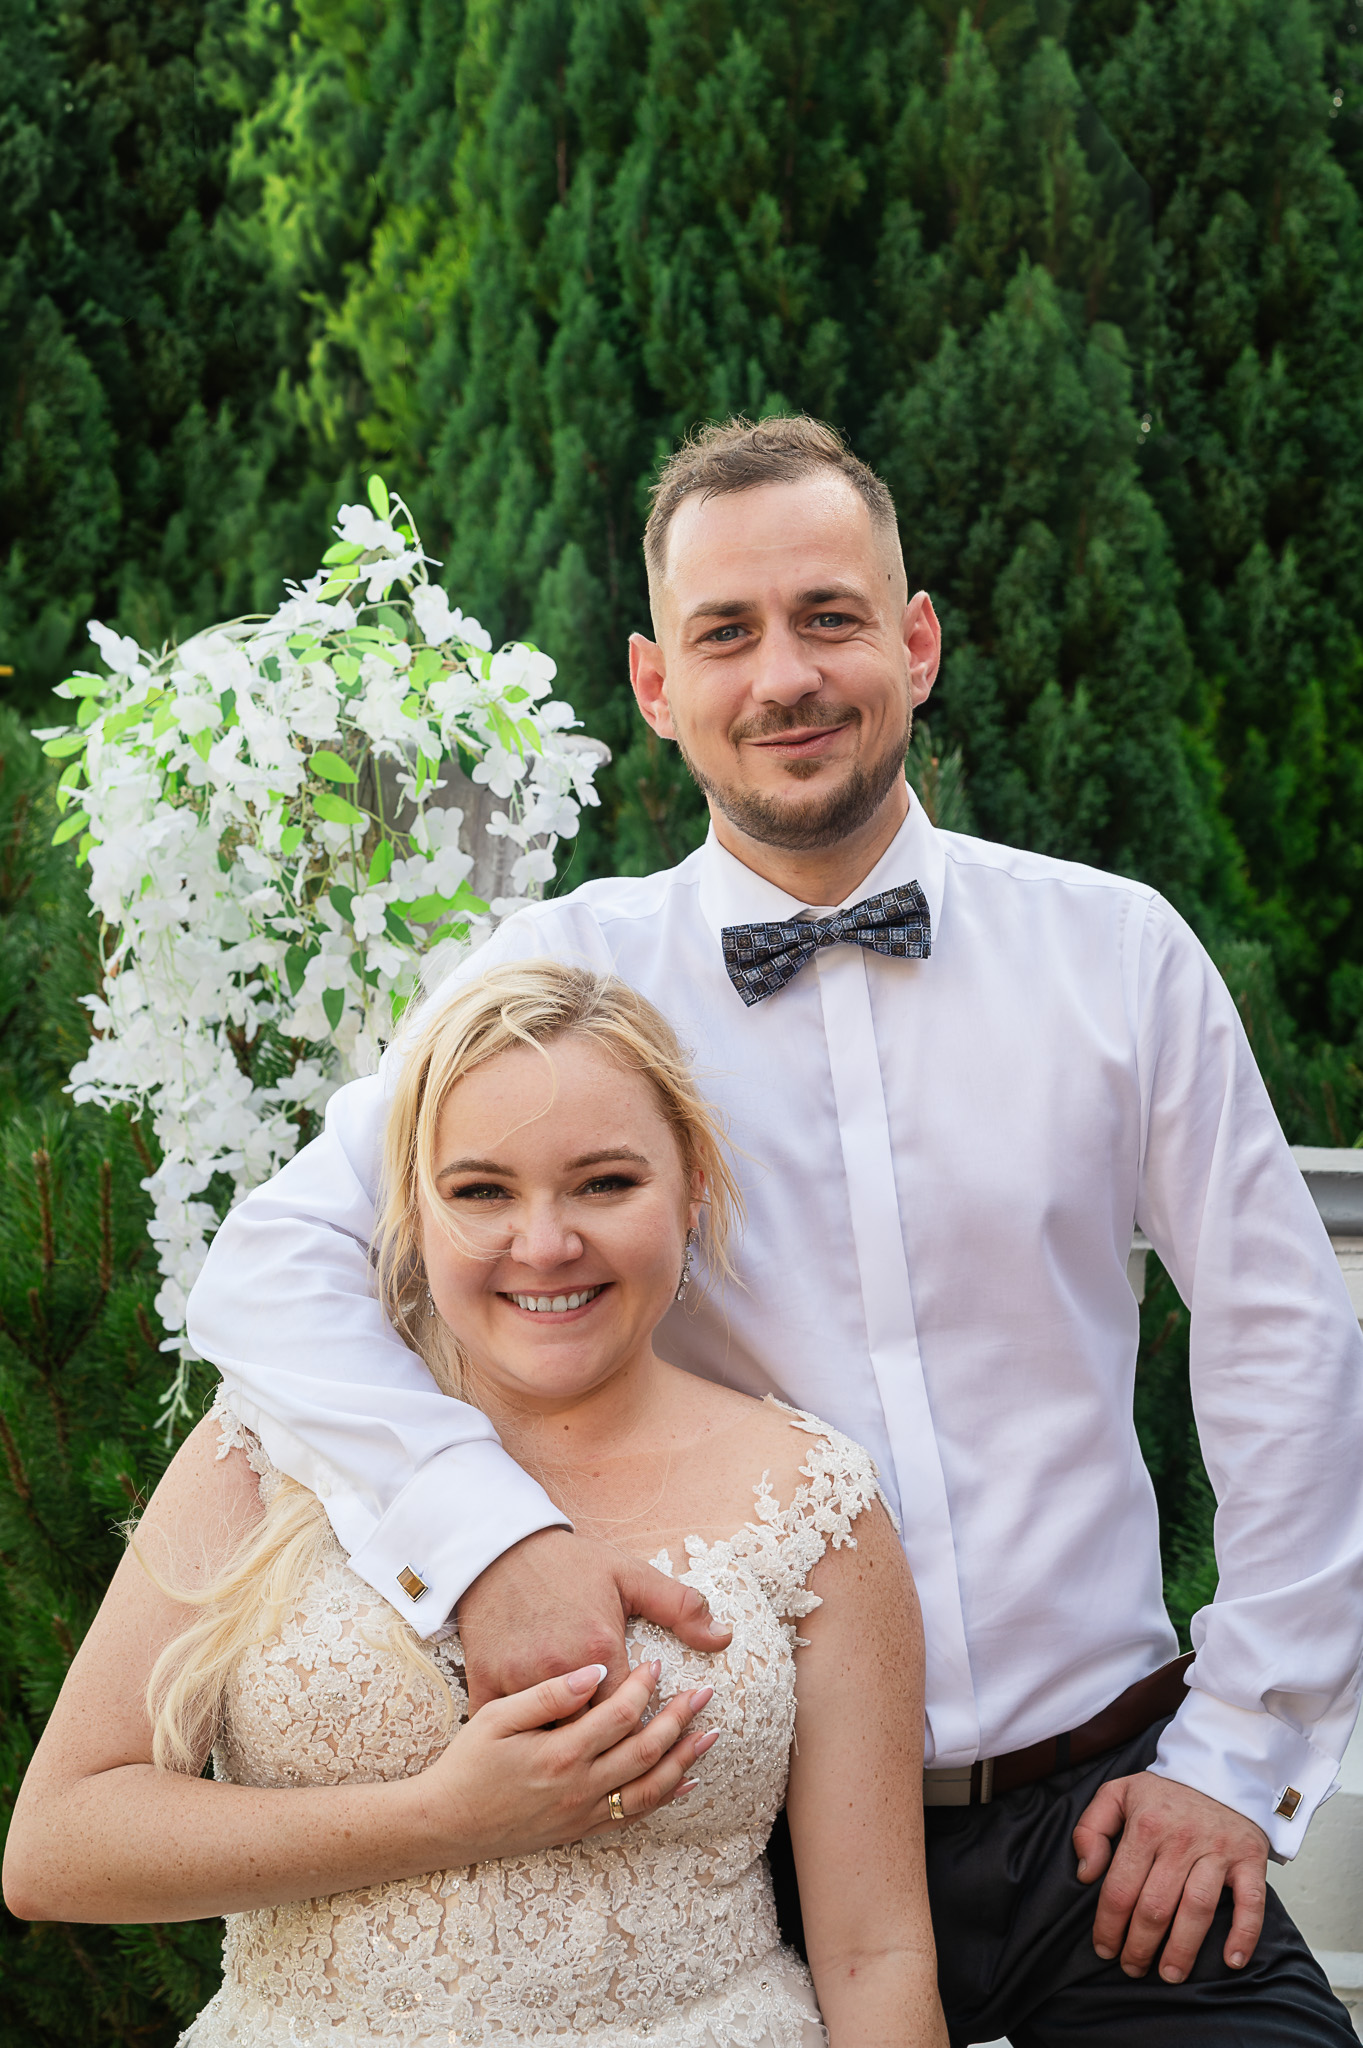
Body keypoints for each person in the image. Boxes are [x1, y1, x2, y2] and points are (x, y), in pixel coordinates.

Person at [176, 415, 1363, 2044]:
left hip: (1103, 1821)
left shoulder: (1118, 954)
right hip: (724, 1843)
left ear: (914, 644)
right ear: (656, 685)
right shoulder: (563, 979)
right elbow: (273, 1264)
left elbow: (1282, 1347)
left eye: (827, 618)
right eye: (725, 633)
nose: (784, 676)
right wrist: (484, 1533)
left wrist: (1234, 1757)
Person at [4, 963, 947, 2048]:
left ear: (692, 1188)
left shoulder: (813, 1496)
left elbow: (876, 1952)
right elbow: (56, 1847)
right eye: (482, 1191)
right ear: (411, 1210)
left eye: (604, 1183)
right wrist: (439, 1818)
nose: (544, 1245)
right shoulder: (261, 1453)